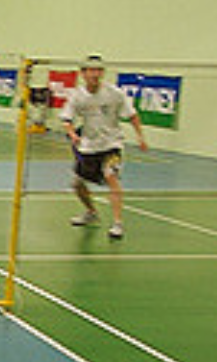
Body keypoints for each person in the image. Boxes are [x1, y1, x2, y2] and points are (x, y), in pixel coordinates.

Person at [60, 55, 148, 240]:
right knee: (77, 184)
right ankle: (91, 212)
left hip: (112, 144)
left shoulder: (114, 93)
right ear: (83, 73)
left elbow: (132, 115)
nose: (95, 74)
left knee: (111, 176)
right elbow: (66, 118)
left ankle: (117, 223)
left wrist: (140, 136)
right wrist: (72, 133)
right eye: (91, 70)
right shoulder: (77, 95)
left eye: (99, 70)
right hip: (89, 146)